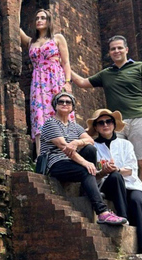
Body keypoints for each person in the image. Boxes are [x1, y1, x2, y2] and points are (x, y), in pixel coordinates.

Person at [71, 35, 142, 200]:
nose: (116, 51)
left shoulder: (141, 67)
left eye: (120, 48)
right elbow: (83, 82)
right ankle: (122, 199)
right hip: (115, 124)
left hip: (139, 117)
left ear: (126, 49)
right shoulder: (106, 74)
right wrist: (63, 64)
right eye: (113, 49)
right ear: (110, 53)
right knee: (115, 162)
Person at [40, 92, 127, 226]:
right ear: (55, 106)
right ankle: (103, 213)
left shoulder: (74, 126)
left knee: (90, 149)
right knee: (86, 170)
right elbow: (65, 148)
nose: (64, 104)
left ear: (72, 107)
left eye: (68, 102)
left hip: (72, 163)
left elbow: (90, 140)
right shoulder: (51, 123)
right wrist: (86, 163)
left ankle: (87, 190)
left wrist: (76, 142)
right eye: (60, 102)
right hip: (56, 164)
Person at [86, 109, 142, 255]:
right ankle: (123, 217)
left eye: (108, 121)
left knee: (138, 200)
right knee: (114, 177)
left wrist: (116, 169)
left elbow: (131, 169)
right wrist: (105, 171)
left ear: (114, 124)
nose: (105, 125)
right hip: (108, 184)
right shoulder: (92, 147)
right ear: (96, 127)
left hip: (130, 183)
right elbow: (92, 174)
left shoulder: (125, 144)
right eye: (101, 123)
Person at [19, 6, 73, 155]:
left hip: (55, 79)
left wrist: (67, 82)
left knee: (59, 111)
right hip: (38, 83)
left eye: (42, 18)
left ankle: (65, 154)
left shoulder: (57, 38)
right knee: (39, 116)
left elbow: (66, 62)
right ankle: (42, 156)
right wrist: (18, 4)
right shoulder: (31, 42)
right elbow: (15, 28)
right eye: (37, 18)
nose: (39, 20)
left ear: (49, 21)